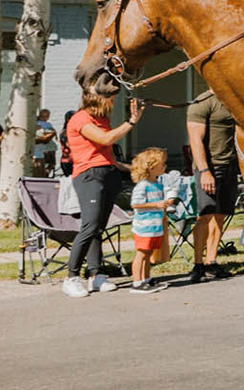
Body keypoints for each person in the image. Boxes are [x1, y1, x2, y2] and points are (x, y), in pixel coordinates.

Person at [64, 91, 140, 297]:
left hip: (108, 173)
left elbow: (104, 153)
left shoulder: (101, 119)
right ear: (97, 99)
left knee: (98, 228)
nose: (113, 103)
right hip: (89, 176)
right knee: (89, 226)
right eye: (111, 99)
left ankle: (96, 276)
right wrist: (131, 122)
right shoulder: (80, 119)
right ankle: (71, 277)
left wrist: (128, 168)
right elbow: (106, 139)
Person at [184, 89, 242, 281]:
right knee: (205, 215)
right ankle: (198, 264)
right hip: (209, 168)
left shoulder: (232, 99)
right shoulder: (203, 102)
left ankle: (211, 262)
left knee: (220, 215)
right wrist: (204, 171)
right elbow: (195, 140)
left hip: (230, 166)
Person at [127, 147, 169, 293]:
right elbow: (135, 204)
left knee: (149, 253)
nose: (165, 166)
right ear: (151, 168)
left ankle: (146, 279)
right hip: (144, 226)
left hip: (155, 226)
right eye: (162, 164)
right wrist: (156, 204)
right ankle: (136, 282)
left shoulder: (157, 184)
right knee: (142, 253)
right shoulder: (143, 186)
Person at [31, 107, 57, 176]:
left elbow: (51, 131)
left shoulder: (48, 124)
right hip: (39, 154)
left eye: (46, 116)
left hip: (44, 151)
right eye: (42, 116)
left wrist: (52, 132)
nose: (44, 118)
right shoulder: (38, 123)